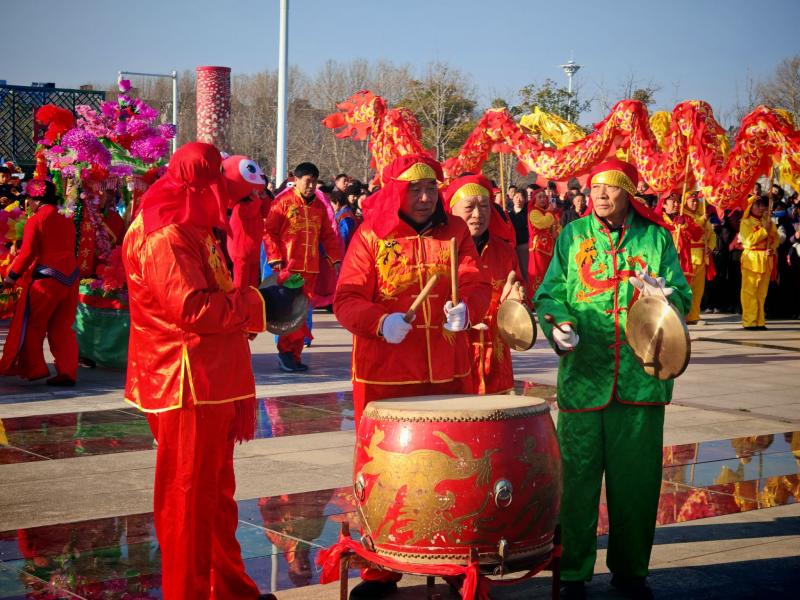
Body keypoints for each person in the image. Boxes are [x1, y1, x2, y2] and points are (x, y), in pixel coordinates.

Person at [122, 142, 276, 600]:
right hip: (185, 382)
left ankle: (228, 588)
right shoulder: (166, 234)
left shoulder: (189, 221)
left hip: (211, 379)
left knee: (215, 496)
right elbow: (190, 308)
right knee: (187, 499)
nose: (224, 198)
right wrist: (255, 304)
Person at [334, 154, 491, 599]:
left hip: (447, 372)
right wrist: (379, 321)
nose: (424, 198)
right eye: (414, 190)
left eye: (430, 189)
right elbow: (346, 299)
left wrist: (468, 309)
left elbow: (475, 283)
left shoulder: (454, 232)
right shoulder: (371, 235)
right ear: (396, 193)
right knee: (385, 472)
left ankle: (455, 560)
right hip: (386, 376)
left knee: (453, 471)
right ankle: (379, 568)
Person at [534, 158, 691, 600]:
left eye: (611, 187)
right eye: (595, 187)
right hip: (584, 377)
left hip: (641, 380)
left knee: (636, 484)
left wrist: (666, 297)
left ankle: (631, 570)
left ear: (630, 193)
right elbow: (550, 293)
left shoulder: (656, 238)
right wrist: (557, 325)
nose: (601, 194)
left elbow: (683, 292)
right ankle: (572, 571)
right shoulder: (572, 236)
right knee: (576, 483)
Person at [446, 174, 524, 394]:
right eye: (469, 207)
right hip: (455, 362)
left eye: (484, 206)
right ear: (451, 209)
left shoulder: (505, 251)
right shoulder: (439, 251)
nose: (477, 215)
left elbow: (519, 292)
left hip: (496, 363)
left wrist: (516, 302)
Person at [264, 162, 343, 372]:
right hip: (289, 268)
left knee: (302, 313)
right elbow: (269, 232)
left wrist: (335, 258)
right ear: (296, 180)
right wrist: (275, 258)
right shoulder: (282, 202)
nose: (311, 186)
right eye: (307, 181)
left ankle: (295, 355)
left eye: (314, 182)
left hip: (310, 268)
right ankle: (285, 353)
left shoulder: (319, 206)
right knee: (290, 311)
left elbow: (328, 235)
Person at [0, 180, 79, 386]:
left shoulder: (36, 220)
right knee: (63, 327)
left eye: (29, 199)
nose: (28, 203)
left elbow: (27, 253)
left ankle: (35, 368)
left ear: (36, 200)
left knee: (35, 325)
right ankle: (68, 371)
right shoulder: (66, 218)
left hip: (47, 279)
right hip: (71, 278)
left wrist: (12, 276)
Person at [223, 155, 269, 289]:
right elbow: (250, 212)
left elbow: (266, 212)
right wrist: (257, 198)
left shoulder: (256, 202)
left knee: (253, 283)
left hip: (254, 250)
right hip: (241, 251)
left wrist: (264, 198)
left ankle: (252, 299)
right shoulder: (239, 206)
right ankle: (239, 300)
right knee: (241, 282)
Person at [739, 195, 778, 330]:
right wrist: (764, 230)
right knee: (749, 291)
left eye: (763, 205)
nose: (761, 208)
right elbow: (748, 241)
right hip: (752, 259)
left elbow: (775, 239)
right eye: (758, 205)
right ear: (750, 207)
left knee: (762, 293)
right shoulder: (745, 222)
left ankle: (760, 321)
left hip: (766, 259)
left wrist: (771, 249)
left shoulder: (767, 221)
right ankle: (749, 321)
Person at [682, 192, 716, 324]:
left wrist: (711, 247)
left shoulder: (701, 214)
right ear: (685, 202)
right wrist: (702, 220)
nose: (695, 203)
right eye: (692, 200)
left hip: (702, 255)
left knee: (699, 289)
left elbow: (712, 234)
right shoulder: (683, 216)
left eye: (696, 200)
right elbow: (692, 232)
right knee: (688, 288)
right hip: (689, 255)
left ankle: (694, 316)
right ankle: (685, 315)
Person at [528, 188, 560, 298]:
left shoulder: (545, 211)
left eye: (544, 197)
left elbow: (555, 224)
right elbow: (543, 223)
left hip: (548, 247)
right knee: (539, 273)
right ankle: (536, 297)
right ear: (534, 199)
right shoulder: (534, 212)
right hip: (538, 248)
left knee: (547, 272)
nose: (543, 199)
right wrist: (550, 212)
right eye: (539, 197)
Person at [508, 188, 529, 279]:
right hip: (511, 246)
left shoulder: (528, 213)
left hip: (523, 245)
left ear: (525, 199)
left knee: (525, 270)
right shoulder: (508, 214)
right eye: (516, 197)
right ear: (512, 198)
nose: (518, 200)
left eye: (521, 197)